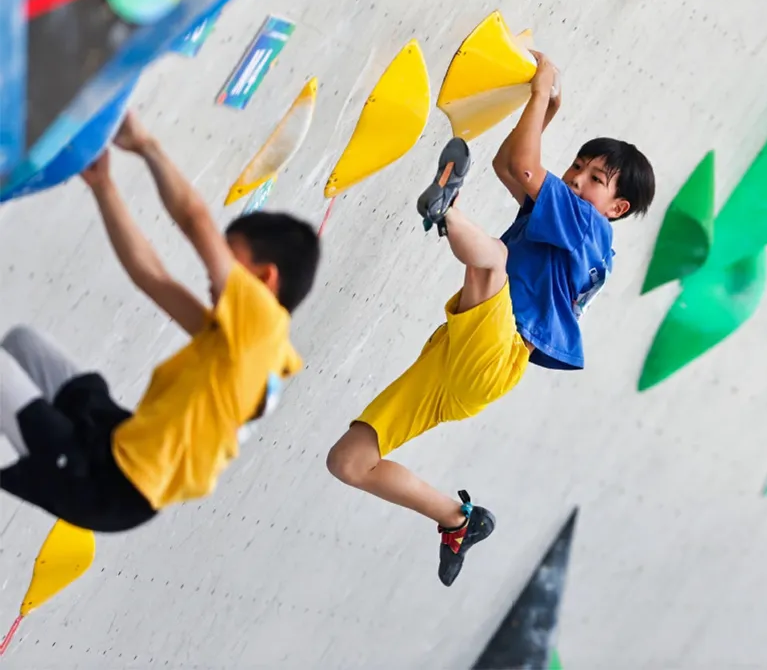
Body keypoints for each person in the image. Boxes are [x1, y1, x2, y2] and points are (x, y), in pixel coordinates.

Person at [326, 51, 656, 587]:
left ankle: (447, 209)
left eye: (596, 179)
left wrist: (541, 84)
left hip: (498, 354)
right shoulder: (573, 223)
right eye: (577, 167)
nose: (576, 181)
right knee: (348, 462)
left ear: (616, 207)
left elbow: (526, 167)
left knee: (493, 263)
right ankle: (459, 520)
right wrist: (542, 113)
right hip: (458, 363)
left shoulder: (590, 229)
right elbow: (511, 166)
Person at [0, 113, 320, 533]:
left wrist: (146, 144)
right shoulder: (242, 345)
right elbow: (152, 277)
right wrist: (104, 186)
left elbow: (195, 221)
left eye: (228, 260)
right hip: (117, 439)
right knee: (23, 343)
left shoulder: (262, 324)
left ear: (265, 278)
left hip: (107, 485)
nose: (213, 273)